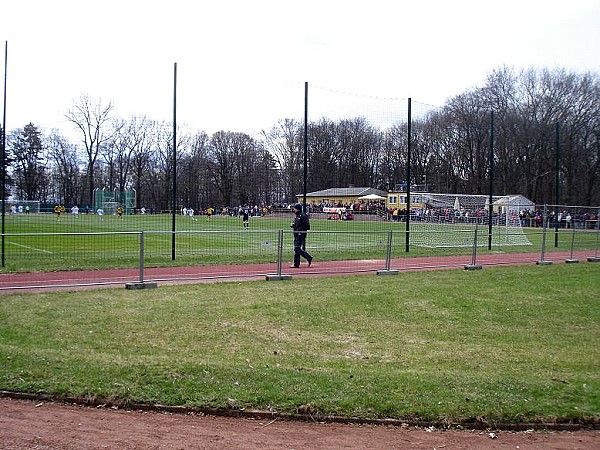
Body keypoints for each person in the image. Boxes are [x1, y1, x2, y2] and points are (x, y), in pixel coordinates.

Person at [290, 203, 313, 268]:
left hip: (300, 234)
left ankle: (296, 263)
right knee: (296, 249)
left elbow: (307, 226)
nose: (293, 209)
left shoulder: (303, 215)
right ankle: (308, 257)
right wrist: (294, 225)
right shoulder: (297, 216)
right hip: (296, 234)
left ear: (298, 209)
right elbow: (298, 224)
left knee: (296, 248)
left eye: (294, 208)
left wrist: (300, 230)